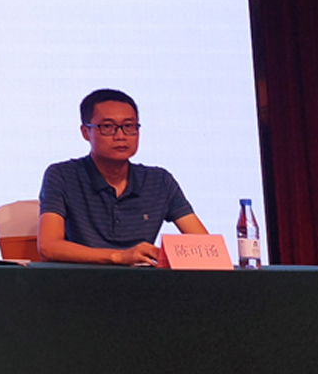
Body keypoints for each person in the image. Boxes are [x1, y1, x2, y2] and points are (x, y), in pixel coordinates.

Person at [37, 88, 208, 266]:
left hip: (143, 281)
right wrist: (118, 257)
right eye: (107, 127)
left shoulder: (159, 181)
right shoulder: (62, 176)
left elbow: (205, 247)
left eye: (129, 126)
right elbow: (48, 247)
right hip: (81, 279)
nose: (120, 136)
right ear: (85, 132)